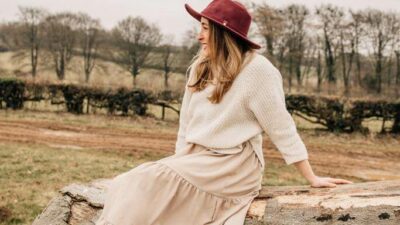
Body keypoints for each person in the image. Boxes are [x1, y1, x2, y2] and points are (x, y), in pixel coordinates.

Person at [95, 0, 353, 224]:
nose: (199, 35)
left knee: (141, 181)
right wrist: (178, 164)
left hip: (234, 165)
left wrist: (311, 177)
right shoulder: (200, 67)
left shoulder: (258, 71)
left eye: (205, 28)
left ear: (222, 31)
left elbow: (281, 127)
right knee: (128, 183)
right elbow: (186, 124)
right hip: (198, 159)